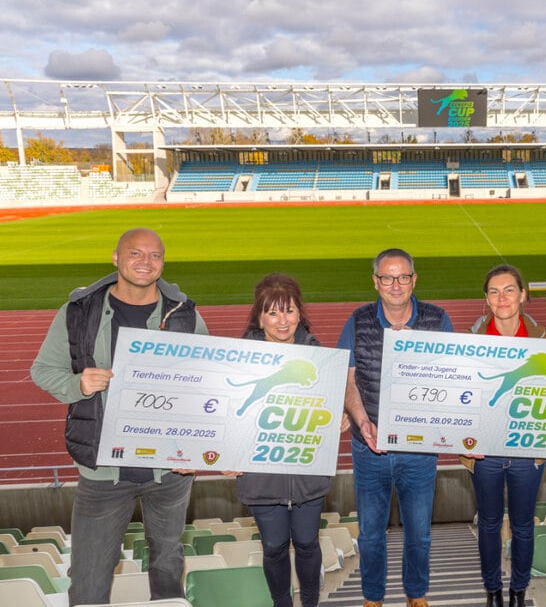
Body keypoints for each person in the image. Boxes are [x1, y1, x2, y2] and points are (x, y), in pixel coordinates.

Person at [30, 228, 208, 606]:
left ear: (163, 262)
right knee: (89, 576)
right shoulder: (79, 311)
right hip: (103, 472)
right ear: (116, 258)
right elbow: (44, 370)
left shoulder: (184, 315)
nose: (146, 262)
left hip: (168, 473)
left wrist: (198, 447)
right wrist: (79, 383)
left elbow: (207, 386)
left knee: (167, 568)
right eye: (135, 254)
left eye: (155, 256)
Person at [337, 248, 454, 607]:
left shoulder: (437, 320)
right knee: (371, 534)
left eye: (403, 276)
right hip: (368, 447)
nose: (396, 285)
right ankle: (373, 597)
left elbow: (454, 377)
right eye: (387, 277)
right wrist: (361, 420)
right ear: (376, 282)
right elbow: (347, 378)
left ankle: (416, 594)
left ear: (414, 280)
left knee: (419, 534)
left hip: (419, 451)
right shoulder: (357, 321)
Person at [230, 274, 331, 607]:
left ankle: (311, 603)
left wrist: (339, 417)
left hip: (307, 471)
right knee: (273, 546)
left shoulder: (319, 357)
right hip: (261, 474)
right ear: (259, 318)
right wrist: (229, 454)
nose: (282, 320)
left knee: (306, 542)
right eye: (272, 313)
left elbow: (328, 407)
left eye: (288, 311)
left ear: (299, 313)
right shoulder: (242, 359)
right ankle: (281, 604)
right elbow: (230, 415)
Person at [464, 264, 546, 607]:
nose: (502, 298)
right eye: (494, 291)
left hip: (528, 452)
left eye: (509, 290)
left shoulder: (544, 339)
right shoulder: (470, 342)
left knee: (523, 526)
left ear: (523, 295)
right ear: (486, 299)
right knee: (487, 524)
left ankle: (518, 591)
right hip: (485, 452)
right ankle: (493, 592)